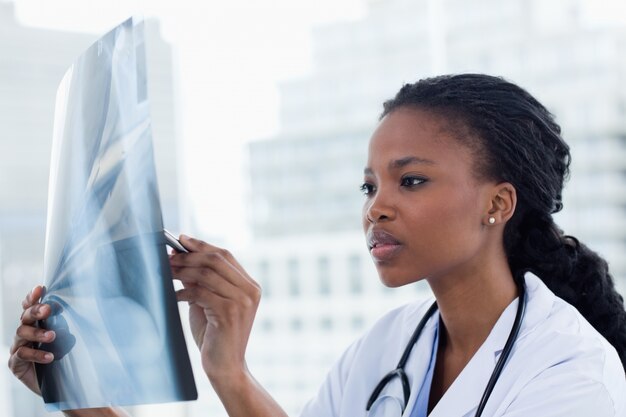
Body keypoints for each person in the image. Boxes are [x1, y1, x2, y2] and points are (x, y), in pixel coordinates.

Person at [8, 74, 626, 417]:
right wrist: (82, 392)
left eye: (411, 180)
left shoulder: (574, 377)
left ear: (498, 203)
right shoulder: (387, 346)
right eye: (370, 185)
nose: (376, 207)